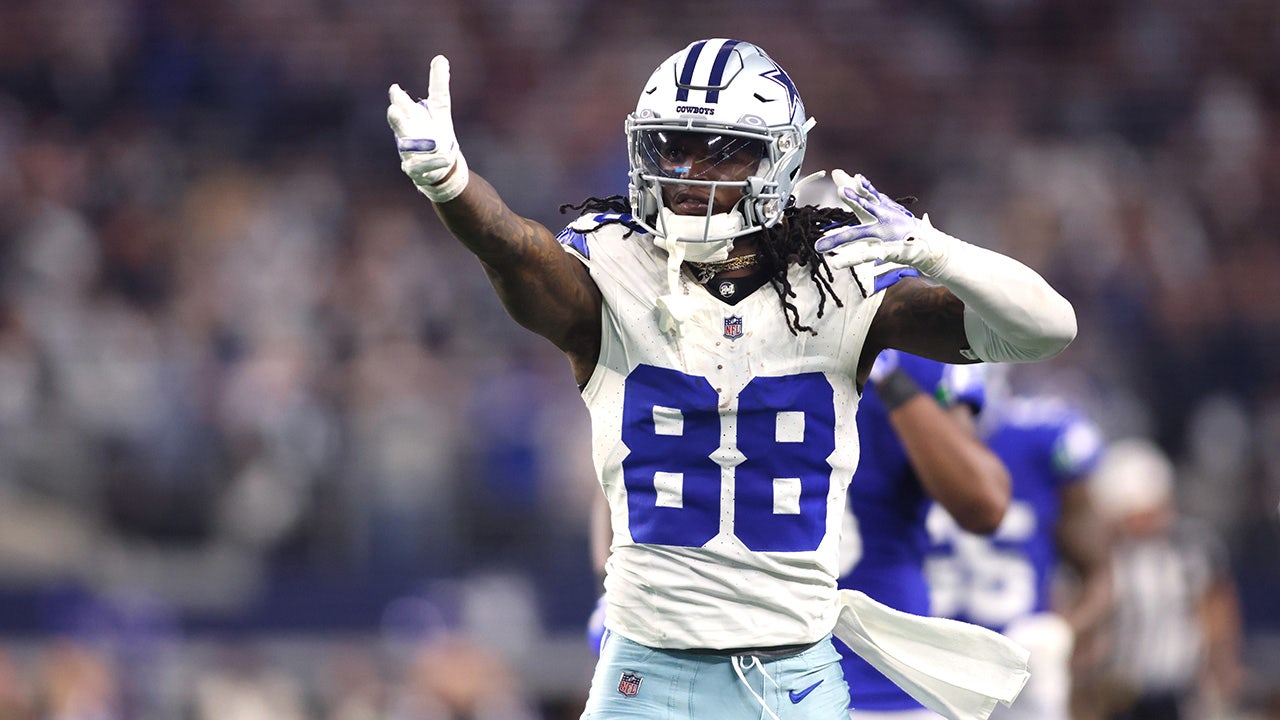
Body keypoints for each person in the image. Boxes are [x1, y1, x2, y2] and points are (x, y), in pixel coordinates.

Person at [387, 38, 1077, 720]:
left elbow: (1047, 330)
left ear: (781, 159)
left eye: (721, 151)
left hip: (793, 673)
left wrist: (938, 251)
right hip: (645, 667)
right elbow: (514, 249)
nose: (687, 172)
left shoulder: (841, 281)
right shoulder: (615, 264)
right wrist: (452, 185)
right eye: (671, 147)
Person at [923, 378, 1114, 720]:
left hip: (1019, 676)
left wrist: (1062, 635)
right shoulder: (889, 428)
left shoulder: (1044, 435)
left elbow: (1099, 574)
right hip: (914, 667)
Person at [839, 350, 1013, 720]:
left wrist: (887, 374)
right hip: (745, 645)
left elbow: (983, 505)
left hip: (882, 667)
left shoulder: (918, 354)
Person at [1084, 439, 1244, 720]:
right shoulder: (1098, 555)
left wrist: (1223, 673)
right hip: (1115, 692)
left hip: (1176, 690)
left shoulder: (1190, 549)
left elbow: (1216, 614)